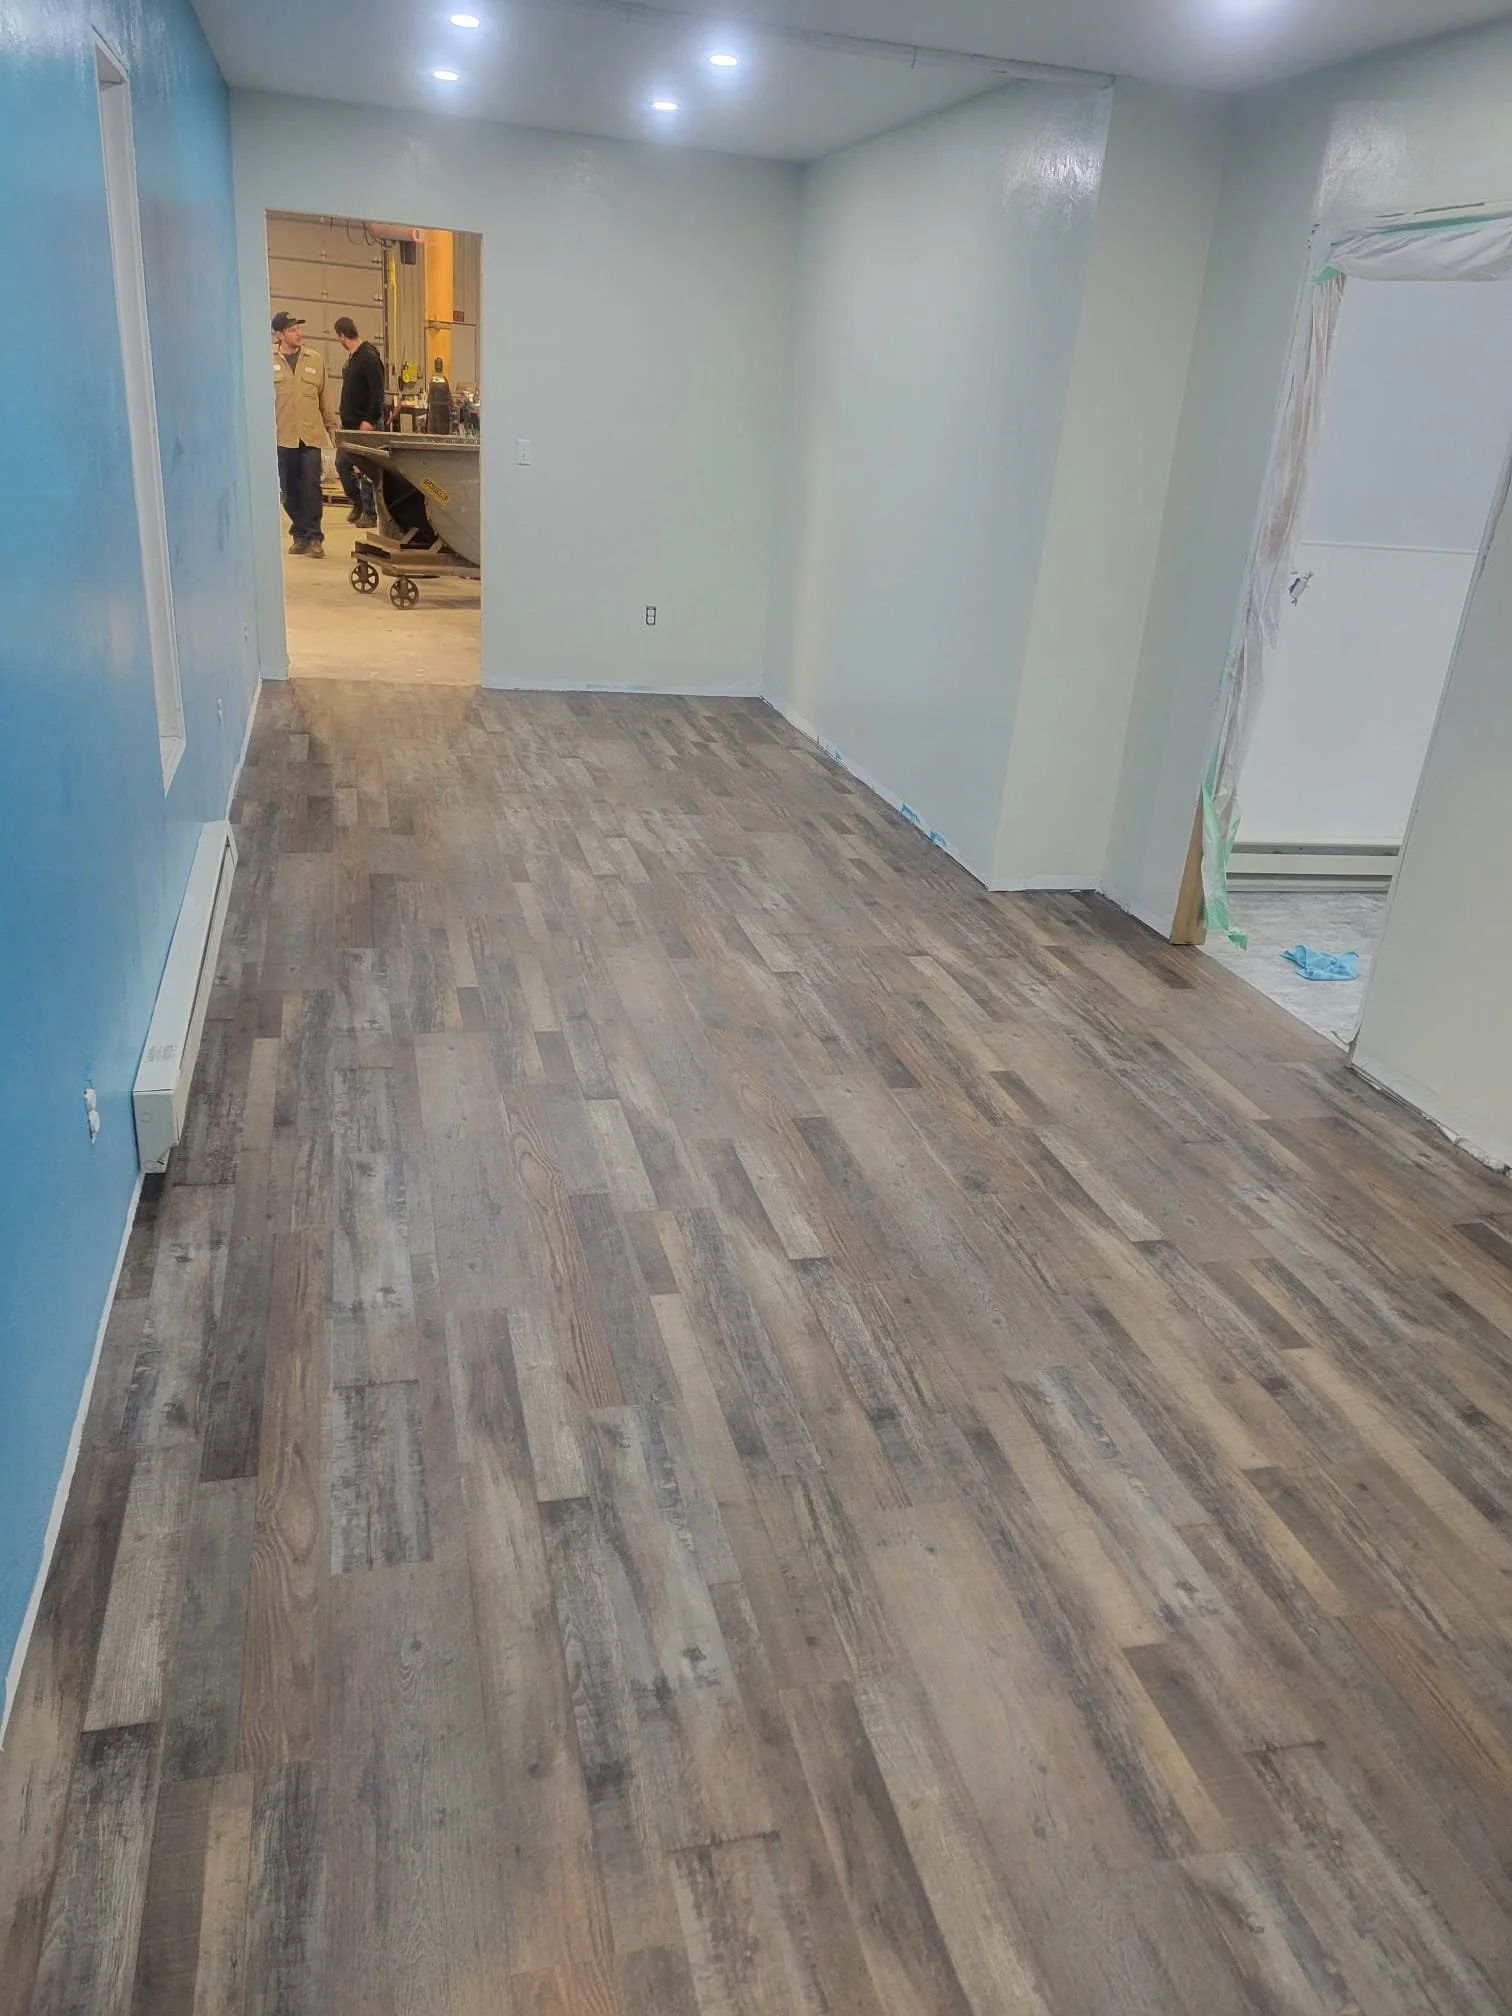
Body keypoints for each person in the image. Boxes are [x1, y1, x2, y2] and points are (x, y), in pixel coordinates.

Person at [272, 311, 339, 558]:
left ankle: (314, 537)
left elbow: (325, 397)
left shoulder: (314, 359)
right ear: (279, 334)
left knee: (311, 485)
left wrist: (332, 428)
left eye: (298, 328)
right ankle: (299, 534)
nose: (298, 334)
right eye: (292, 330)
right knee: (289, 490)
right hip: (283, 436)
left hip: (310, 436)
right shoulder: (267, 360)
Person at [334, 315, 386, 528]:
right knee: (342, 465)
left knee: (366, 471)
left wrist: (369, 420)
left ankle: (370, 513)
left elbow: (377, 393)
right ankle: (358, 503)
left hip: (364, 425)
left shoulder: (369, 357)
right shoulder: (353, 359)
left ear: (342, 336)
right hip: (349, 426)